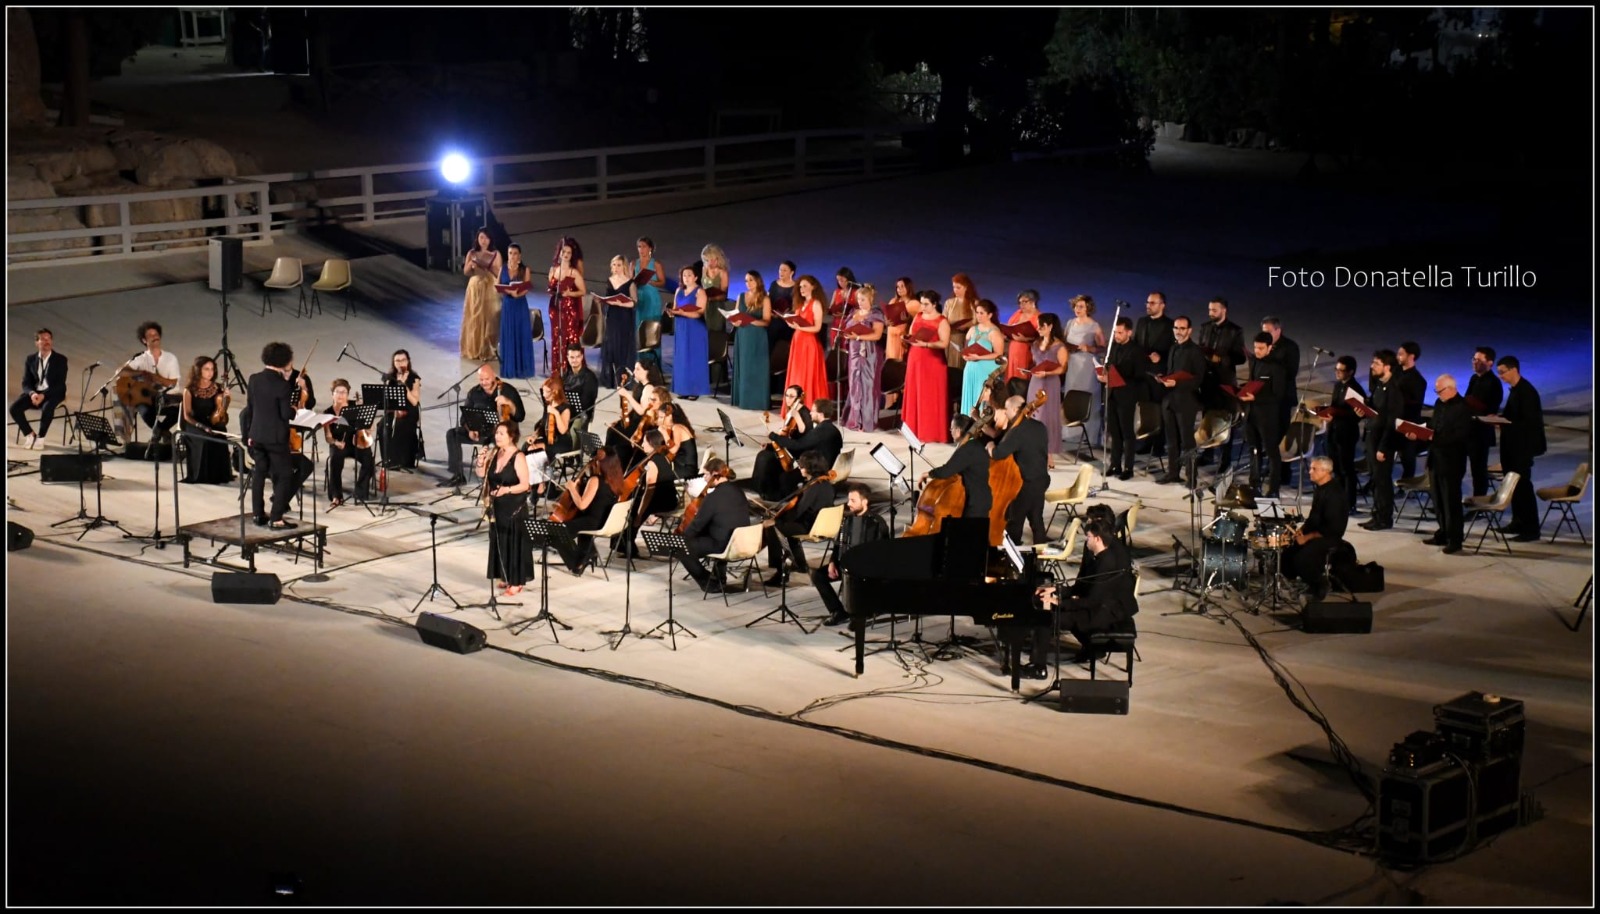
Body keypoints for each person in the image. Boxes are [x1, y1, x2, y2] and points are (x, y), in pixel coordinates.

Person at [1033, 517, 1138, 668]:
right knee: (1057, 610)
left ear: (1097, 539)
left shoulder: (1105, 564)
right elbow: (1081, 588)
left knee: (1047, 619)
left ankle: (1038, 667)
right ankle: (1091, 648)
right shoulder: (1099, 558)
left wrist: (1059, 602)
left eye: (1088, 537)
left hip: (1102, 613)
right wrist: (1056, 590)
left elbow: (1091, 601)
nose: (1086, 541)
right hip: (1097, 607)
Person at [810, 481, 891, 626]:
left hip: (866, 572)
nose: (848, 504)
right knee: (817, 575)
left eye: (853, 500)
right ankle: (837, 611)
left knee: (857, 580)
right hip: (845, 566)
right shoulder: (847, 520)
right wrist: (832, 562)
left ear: (864, 501)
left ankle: (860, 613)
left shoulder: (877, 523)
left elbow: (883, 553)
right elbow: (838, 544)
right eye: (848, 500)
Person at [1413, 374, 1473, 553]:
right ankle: (1443, 533)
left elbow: (1459, 436)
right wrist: (1420, 432)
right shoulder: (1440, 404)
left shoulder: (1463, 408)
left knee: (1451, 502)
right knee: (1438, 500)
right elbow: (1434, 425)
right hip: (1435, 459)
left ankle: (1455, 539)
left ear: (1451, 389)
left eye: (1439, 391)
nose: (1437, 395)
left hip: (1452, 461)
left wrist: (1434, 436)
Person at [241, 342, 299, 529]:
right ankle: (276, 518)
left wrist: (249, 433)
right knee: (284, 475)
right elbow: (285, 414)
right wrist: (293, 410)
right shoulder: (282, 385)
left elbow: (250, 408)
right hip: (275, 438)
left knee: (259, 472)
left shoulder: (254, 379)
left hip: (256, 434)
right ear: (284, 360)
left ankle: (258, 514)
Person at [475, 420, 535, 597]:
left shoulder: (519, 457)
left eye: (501, 433)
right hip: (498, 505)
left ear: (511, 436)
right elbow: (482, 475)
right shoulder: (495, 453)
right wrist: (480, 462)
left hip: (514, 506)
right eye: (496, 433)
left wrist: (506, 490)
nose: (497, 436)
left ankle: (516, 581)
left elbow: (525, 485)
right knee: (500, 541)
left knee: (513, 542)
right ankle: (505, 574)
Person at [443, 364, 526, 488]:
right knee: (452, 434)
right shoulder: (474, 392)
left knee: (494, 444)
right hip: (479, 432)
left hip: (499, 435)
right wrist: (470, 429)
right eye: (481, 380)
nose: (484, 382)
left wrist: (509, 403)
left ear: (493, 376)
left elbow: (520, 416)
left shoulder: (507, 390)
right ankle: (458, 475)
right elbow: (464, 418)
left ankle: (491, 478)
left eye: (487, 379)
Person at [762, 450, 835, 587]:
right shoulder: (826, 484)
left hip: (811, 526)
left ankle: (780, 571)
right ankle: (800, 564)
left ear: (809, 469)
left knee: (773, 528)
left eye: (801, 467)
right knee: (784, 527)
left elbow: (798, 512)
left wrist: (777, 519)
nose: (799, 469)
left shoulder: (813, 488)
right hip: (822, 524)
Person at [1281, 457, 1350, 599]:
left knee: (1303, 558)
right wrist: (1302, 530)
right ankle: (1297, 580)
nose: (1310, 472)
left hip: (1329, 537)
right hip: (1316, 532)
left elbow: (1333, 529)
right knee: (1287, 550)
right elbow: (1314, 518)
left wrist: (1307, 537)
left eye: (1314, 469)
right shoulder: (1320, 489)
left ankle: (1319, 584)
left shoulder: (1335, 494)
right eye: (1311, 468)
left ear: (1326, 471)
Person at [679, 457, 750, 594]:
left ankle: (710, 582)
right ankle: (719, 577)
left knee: (682, 548)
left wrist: (682, 538)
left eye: (706, 474)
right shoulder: (738, 491)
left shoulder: (712, 498)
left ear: (715, 475)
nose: (704, 478)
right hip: (741, 541)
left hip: (723, 545)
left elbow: (697, 525)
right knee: (717, 531)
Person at [1495, 355, 1545, 542]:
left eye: (1502, 372)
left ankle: (1531, 528)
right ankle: (1518, 521)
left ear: (1514, 369)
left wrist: (1505, 422)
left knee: (1523, 486)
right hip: (1512, 447)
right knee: (1513, 486)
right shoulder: (1516, 391)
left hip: (1522, 449)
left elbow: (1529, 423)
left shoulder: (1527, 392)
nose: (1500, 376)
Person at [754, 394, 841, 501]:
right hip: (822, 462)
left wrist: (773, 436)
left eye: (813, 411)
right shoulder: (833, 429)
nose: (810, 413)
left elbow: (798, 445)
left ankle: (786, 500)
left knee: (785, 478)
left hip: (816, 468)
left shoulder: (820, 431)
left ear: (820, 414)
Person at [1194, 297, 1246, 470]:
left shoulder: (1235, 331)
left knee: (1225, 420)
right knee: (1207, 418)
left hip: (1224, 381)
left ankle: (1225, 461)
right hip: (1208, 380)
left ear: (1224, 310)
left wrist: (1221, 359)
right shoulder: (1205, 327)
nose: (1211, 313)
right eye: (1209, 310)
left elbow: (1240, 357)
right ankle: (1208, 454)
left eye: (1214, 310)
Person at [990, 394, 1050, 545]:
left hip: (1024, 484)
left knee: (1014, 524)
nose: (1006, 412)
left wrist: (990, 446)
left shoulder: (1017, 432)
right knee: (1037, 521)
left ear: (1016, 409)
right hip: (1041, 480)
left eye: (1008, 409)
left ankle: (1011, 561)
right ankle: (1039, 560)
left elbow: (998, 454)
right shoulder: (1040, 427)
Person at [1358, 350, 1407, 531]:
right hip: (1373, 438)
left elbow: (1392, 422)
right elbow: (1376, 409)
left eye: (1376, 364)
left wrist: (1384, 448)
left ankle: (1385, 518)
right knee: (1376, 480)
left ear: (1387, 367)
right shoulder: (1379, 385)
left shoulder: (1394, 390)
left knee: (1383, 481)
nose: (1372, 366)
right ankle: (1376, 514)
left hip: (1383, 443)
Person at [554, 447, 622, 575]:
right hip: (606, 520)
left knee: (557, 531)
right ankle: (587, 553)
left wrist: (571, 488)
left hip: (593, 521)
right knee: (579, 524)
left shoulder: (595, 480)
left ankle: (578, 561)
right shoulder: (617, 479)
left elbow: (582, 505)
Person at [1156, 315, 1206, 485]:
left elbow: (1198, 379)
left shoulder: (1195, 351)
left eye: (1182, 328)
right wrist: (1164, 378)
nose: (1178, 331)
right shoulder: (1173, 348)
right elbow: (1171, 371)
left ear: (1189, 330)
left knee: (1187, 441)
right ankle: (1173, 472)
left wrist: (1177, 382)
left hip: (1186, 401)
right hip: (1169, 400)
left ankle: (1192, 477)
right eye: (1176, 328)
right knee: (1171, 440)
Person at [617, 428, 679, 560]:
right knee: (635, 505)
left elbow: (649, 492)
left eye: (645, 442)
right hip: (670, 498)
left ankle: (628, 547)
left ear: (652, 444)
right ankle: (624, 545)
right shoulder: (664, 458)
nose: (643, 444)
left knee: (632, 512)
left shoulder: (651, 463)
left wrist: (640, 514)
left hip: (662, 500)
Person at [1238, 331, 1287, 498]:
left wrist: (1256, 397)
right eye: (1255, 347)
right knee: (1254, 449)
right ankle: (1255, 484)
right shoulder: (1254, 362)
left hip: (1268, 416)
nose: (1257, 351)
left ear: (1270, 347)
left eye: (1260, 348)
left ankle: (1273, 489)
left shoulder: (1277, 367)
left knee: (1272, 453)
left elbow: (1278, 394)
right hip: (1251, 414)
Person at [919, 414, 992, 521]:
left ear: (958, 430)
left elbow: (946, 471)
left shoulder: (968, 449)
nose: (950, 431)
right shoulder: (975, 444)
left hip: (976, 504)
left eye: (951, 429)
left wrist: (925, 474)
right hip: (980, 499)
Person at [120, 320, 182, 446]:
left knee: (184, 407)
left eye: (156, 334)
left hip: (170, 396)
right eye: (151, 335)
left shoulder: (170, 358)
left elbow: (173, 383)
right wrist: (141, 373)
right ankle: (163, 432)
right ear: (144, 340)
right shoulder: (141, 358)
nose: (155, 337)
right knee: (139, 403)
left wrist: (156, 378)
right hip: (152, 397)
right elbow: (121, 372)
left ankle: (159, 431)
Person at [902, 289, 951, 444]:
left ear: (934, 304)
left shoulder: (942, 321)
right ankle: (913, 430)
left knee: (930, 396)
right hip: (915, 359)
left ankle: (931, 433)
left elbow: (944, 343)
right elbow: (911, 333)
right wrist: (907, 339)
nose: (922, 307)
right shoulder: (918, 316)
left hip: (933, 362)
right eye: (921, 303)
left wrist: (927, 344)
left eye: (926, 304)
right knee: (915, 393)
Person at [1022, 313, 1069, 469]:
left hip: (1050, 383)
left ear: (1050, 327)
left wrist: (1047, 373)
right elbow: (1035, 362)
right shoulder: (1035, 344)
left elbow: (1063, 368)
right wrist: (1028, 371)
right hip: (1036, 382)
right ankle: (1033, 450)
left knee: (1046, 418)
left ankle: (1048, 454)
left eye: (1042, 325)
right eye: (1038, 325)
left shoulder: (1059, 346)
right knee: (1034, 415)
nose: (1039, 328)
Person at [1101, 317, 1145, 480]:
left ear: (1129, 332)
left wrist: (1118, 373)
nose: (1117, 336)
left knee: (1127, 432)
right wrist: (1104, 373)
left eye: (1120, 333)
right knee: (1114, 431)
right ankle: (1115, 464)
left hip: (1127, 395)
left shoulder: (1136, 350)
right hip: (1112, 393)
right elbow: (1109, 365)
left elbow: (1139, 373)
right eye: (1115, 332)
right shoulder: (1114, 347)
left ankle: (1129, 467)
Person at [838, 282, 885, 432]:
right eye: (858, 299)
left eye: (863, 299)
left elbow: (877, 335)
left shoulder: (876, 314)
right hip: (854, 352)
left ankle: (867, 422)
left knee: (868, 386)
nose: (860, 302)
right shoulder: (854, 313)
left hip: (869, 353)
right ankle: (854, 420)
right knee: (854, 384)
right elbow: (847, 328)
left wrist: (859, 337)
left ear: (870, 299)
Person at [179, 355, 233, 485]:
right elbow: (187, 415)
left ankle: (219, 474)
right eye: (206, 369)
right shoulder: (189, 390)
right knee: (205, 439)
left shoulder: (218, 387)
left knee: (220, 433)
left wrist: (226, 399)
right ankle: (202, 476)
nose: (210, 372)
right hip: (194, 423)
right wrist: (202, 426)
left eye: (212, 369)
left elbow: (221, 409)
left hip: (211, 421)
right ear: (198, 370)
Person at [1261, 316, 1302, 485]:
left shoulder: (1290, 347)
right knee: (1269, 435)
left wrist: (1271, 360)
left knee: (1281, 435)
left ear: (1278, 330)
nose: (1266, 335)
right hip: (1267, 397)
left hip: (1283, 398)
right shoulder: (1264, 344)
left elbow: (1291, 372)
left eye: (1269, 332)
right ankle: (1272, 467)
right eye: (1264, 332)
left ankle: (1284, 473)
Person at [11, 328, 68, 449]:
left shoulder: (61, 360)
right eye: (43, 339)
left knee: (47, 408)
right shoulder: (30, 359)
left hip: (54, 392)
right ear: (37, 343)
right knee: (14, 408)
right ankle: (30, 434)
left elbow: (59, 384)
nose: (47, 342)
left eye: (49, 339)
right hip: (36, 392)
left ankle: (41, 438)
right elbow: (26, 382)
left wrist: (44, 395)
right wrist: (32, 394)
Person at [522, 374, 576, 501]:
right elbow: (542, 425)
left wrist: (556, 413)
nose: (544, 394)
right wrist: (534, 436)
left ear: (555, 392)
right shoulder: (548, 404)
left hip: (562, 442)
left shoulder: (565, 408)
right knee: (527, 447)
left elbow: (563, 430)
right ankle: (534, 483)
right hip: (549, 439)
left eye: (547, 391)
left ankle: (539, 485)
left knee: (535, 451)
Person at [1062, 294, 1106, 444]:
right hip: (1073, 363)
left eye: (1081, 306)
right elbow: (1064, 340)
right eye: (1076, 306)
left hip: (1087, 364)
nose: (1077, 309)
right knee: (1071, 393)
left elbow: (1103, 347)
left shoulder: (1094, 325)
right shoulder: (1070, 323)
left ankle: (1090, 434)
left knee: (1087, 395)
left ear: (1088, 308)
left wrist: (1090, 348)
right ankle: (1071, 433)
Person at [324, 378, 375, 507]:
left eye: (344, 392)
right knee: (335, 459)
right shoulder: (328, 413)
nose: (341, 395)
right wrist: (335, 442)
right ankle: (336, 495)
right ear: (332, 394)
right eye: (337, 392)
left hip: (356, 441)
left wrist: (368, 428)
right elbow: (328, 437)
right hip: (339, 443)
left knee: (369, 459)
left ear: (348, 394)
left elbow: (369, 423)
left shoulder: (355, 406)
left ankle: (360, 492)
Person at [1326, 356, 1367, 513]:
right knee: (1335, 468)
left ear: (1350, 372)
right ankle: (1338, 499)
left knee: (1346, 469)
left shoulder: (1356, 390)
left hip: (1346, 433)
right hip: (1334, 431)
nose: (1337, 373)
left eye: (1341, 370)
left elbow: (1358, 415)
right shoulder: (1338, 386)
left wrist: (1339, 414)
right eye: (1336, 369)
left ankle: (1349, 503)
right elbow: (1334, 405)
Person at [783, 275, 829, 409]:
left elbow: (817, 327)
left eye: (805, 286)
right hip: (798, 342)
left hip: (809, 344)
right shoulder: (800, 304)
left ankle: (807, 407)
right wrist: (791, 323)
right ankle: (794, 406)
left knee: (807, 375)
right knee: (797, 374)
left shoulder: (816, 304)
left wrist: (800, 327)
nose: (801, 289)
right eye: (800, 286)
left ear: (813, 287)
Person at [1465, 346, 1505, 497]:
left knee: (1478, 470)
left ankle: (1479, 502)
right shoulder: (1474, 379)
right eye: (1474, 359)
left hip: (1481, 433)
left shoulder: (1494, 383)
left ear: (1490, 363)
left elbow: (1492, 408)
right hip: (1468, 429)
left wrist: (1472, 404)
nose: (1475, 363)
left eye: (1479, 360)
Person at [730, 269, 773, 410]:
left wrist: (751, 321)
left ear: (758, 281)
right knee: (743, 367)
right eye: (746, 280)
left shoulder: (765, 298)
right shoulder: (741, 296)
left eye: (751, 280)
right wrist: (734, 322)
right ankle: (742, 399)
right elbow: (735, 315)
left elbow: (766, 321)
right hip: (742, 335)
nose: (748, 283)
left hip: (757, 337)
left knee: (755, 368)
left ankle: (757, 401)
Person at [670, 262, 711, 399]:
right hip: (681, 327)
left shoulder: (700, 292)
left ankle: (695, 390)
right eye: (684, 275)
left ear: (695, 277)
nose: (686, 278)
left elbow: (699, 312)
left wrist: (682, 313)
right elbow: (676, 308)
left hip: (695, 328)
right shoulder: (678, 291)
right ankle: (683, 388)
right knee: (682, 358)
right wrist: (672, 312)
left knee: (694, 358)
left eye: (689, 275)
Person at [460, 227, 502, 361]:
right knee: (474, 317)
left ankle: (488, 349)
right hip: (475, 287)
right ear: (477, 239)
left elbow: (499, 273)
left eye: (486, 238)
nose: (483, 241)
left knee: (489, 317)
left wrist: (486, 264)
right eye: (481, 238)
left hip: (489, 286)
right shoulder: (471, 253)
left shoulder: (496, 254)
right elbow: (466, 272)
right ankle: (473, 348)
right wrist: (471, 265)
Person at [497, 242, 537, 379]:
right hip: (508, 306)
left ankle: (522, 369)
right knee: (508, 335)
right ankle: (509, 369)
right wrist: (507, 291)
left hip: (519, 305)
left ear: (519, 255)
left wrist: (516, 294)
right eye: (510, 253)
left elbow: (526, 287)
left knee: (521, 335)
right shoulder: (502, 269)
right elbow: (497, 285)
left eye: (515, 253)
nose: (512, 256)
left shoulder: (525, 269)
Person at [598, 254, 638, 386]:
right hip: (612, 316)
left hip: (624, 316)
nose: (616, 267)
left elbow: (634, 302)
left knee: (623, 345)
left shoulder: (630, 282)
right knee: (611, 344)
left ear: (624, 266)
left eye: (619, 265)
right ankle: (610, 379)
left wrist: (621, 304)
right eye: (614, 265)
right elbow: (607, 297)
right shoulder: (609, 280)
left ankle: (624, 378)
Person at [958, 299, 1003, 416]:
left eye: (982, 313)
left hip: (984, 370)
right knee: (969, 397)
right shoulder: (973, 329)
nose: (978, 316)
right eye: (977, 312)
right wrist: (965, 356)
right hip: (970, 369)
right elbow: (965, 348)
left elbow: (999, 354)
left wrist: (980, 356)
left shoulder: (994, 332)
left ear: (990, 315)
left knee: (980, 398)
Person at [379, 350, 422, 469]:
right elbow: (386, 398)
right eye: (397, 361)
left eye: (403, 360)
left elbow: (414, 401)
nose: (400, 363)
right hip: (394, 409)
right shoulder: (390, 377)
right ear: (393, 363)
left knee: (400, 426)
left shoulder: (415, 378)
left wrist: (403, 385)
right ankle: (387, 459)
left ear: (408, 361)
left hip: (409, 411)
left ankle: (402, 460)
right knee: (382, 426)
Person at [700, 244, 733, 391]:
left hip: (717, 307)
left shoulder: (723, 272)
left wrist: (713, 296)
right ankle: (707, 375)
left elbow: (724, 294)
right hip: (706, 307)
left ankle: (719, 376)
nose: (710, 263)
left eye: (713, 259)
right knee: (706, 339)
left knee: (717, 339)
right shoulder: (703, 270)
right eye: (707, 260)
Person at [547, 236, 587, 355]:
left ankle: (571, 367)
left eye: (569, 253)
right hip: (555, 308)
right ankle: (557, 369)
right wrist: (551, 290)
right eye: (563, 251)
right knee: (556, 338)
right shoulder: (553, 270)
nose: (566, 254)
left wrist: (570, 293)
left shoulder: (573, 272)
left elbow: (583, 291)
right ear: (559, 253)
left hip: (569, 309)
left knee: (570, 337)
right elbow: (550, 287)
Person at [630, 236, 667, 362]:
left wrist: (651, 282)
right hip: (639, 297)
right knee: (639, 327)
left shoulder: (656, 264)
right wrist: (634, 281)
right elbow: (630, 281)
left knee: (651, 328)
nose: (641, 249)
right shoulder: (634, 263)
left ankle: (653, 363)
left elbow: (662, 282)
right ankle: (640, 362)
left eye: (644, 246)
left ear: (650, 248)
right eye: (639, 246)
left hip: (652, 298)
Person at [1394, 342, 1426, 481]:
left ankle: (1408, 482)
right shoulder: (1396, 371)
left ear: (1411, 356)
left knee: (1407, 455)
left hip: (1407, 421)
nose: (1398, 356)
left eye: (1401, 354)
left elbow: (1415, 405)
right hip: (1393, 418)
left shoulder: (1418, 380)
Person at [1002, 289, 1041, 393]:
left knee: (1021, 380)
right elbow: (1010, 326)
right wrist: (1006, 334)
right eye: (1020, 302)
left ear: (1033, 302)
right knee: (1010, 378)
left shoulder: (1039, 317)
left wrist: (1026, 339)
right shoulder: (1018, 313)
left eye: (1025, 302)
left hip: (1025, 351)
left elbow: (1040, 338)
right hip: (1013, 350)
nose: (1021, 305)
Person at [652, 398, 698, 482]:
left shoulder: (677, 428)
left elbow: (673, 450)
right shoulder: (678, 426)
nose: (660, 420)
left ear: (670, 416)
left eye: (662, 417)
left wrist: (664, 432)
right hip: (681, 466)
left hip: (687, 470)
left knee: (660, 474)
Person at [560, 343, 599, 435]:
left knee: (570, 432)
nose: (575, 360)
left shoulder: (590, 377)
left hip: (581, 416)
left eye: (577, 357)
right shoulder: (566, 375)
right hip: (566, 412)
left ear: (582, 357)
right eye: (572, 357)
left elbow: (586, 404)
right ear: (567, 358)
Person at [882, 276, 917, 364]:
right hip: (891, 337)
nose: (899, 289)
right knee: (890, 363)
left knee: (900, 364)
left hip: (902, 337)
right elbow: (886, 316)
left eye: (902, 286)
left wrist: (908, 319)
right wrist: (886, 321)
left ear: (908, 287)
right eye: (898, 287)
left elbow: (919, 321)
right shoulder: (893, 300)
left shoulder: (914, 303)